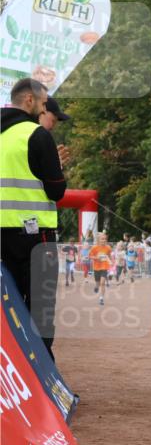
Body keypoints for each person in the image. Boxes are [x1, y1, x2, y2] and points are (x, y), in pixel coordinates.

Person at [0, 78, 67, 357]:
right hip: (35, 235)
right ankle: (42, 373)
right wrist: (60, 167)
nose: (42, 109)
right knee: (41, 308)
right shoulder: (36, 134)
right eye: (41, 103)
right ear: (29, 100)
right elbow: (56, 190)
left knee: (9, 308)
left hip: (3, 236)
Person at [89, 232, 112, 306]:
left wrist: (110, 262)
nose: (104, 240)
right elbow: (90, 256)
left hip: (104, 267)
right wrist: (96, 258)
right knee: (97, 283)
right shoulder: (94, 247)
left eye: (105, 239)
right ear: (98, 240)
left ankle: (101, 298)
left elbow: (109, 256)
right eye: (102, 239)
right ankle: (96, 287)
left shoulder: (108, 248)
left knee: (102, 283)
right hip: (96, 268)